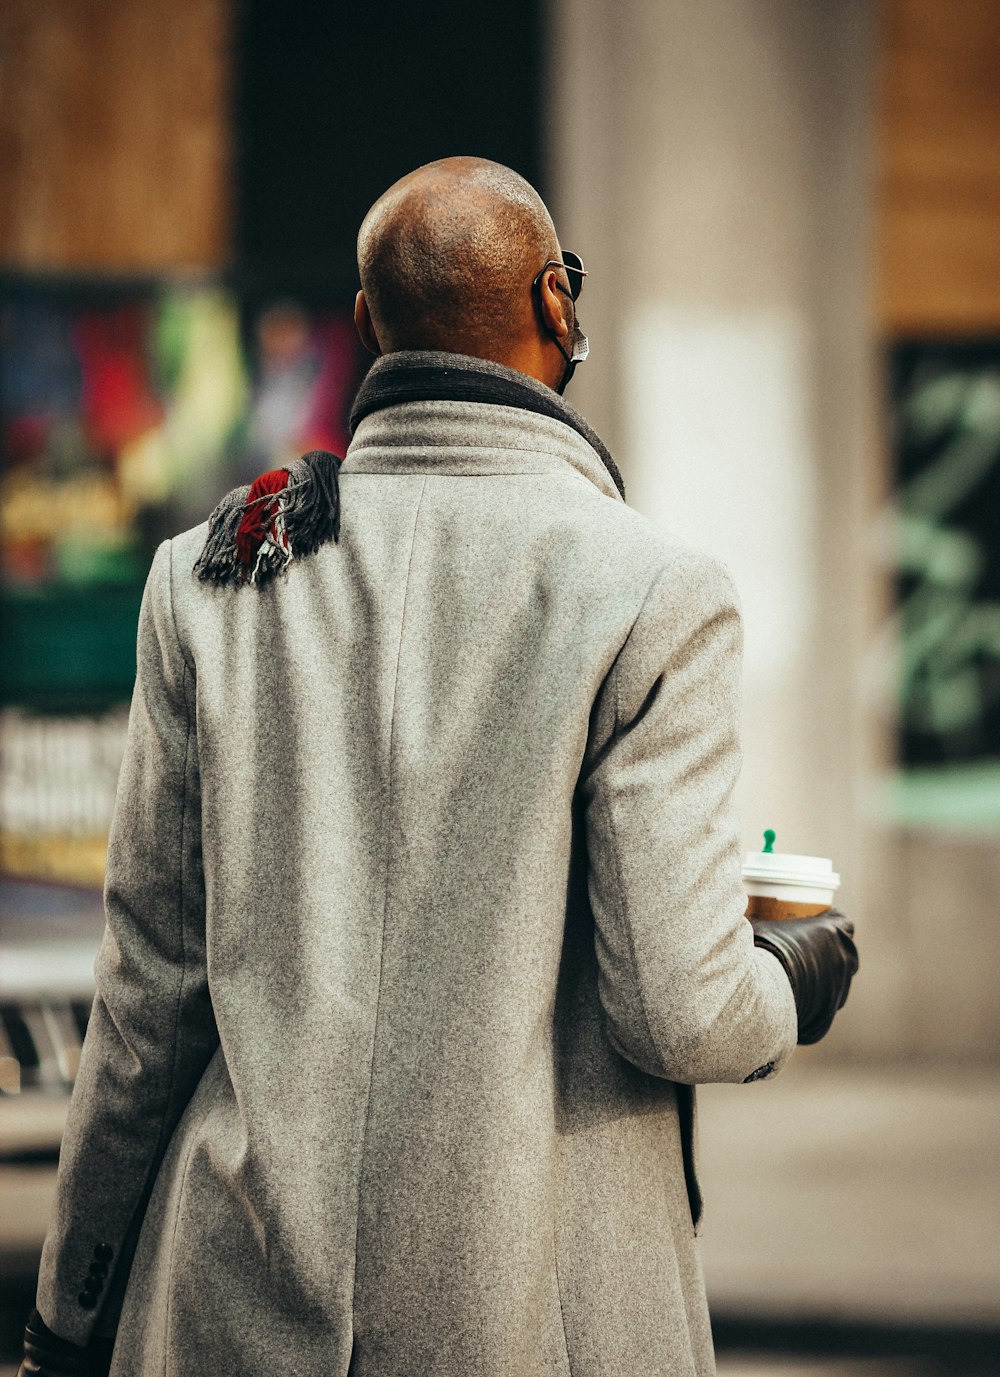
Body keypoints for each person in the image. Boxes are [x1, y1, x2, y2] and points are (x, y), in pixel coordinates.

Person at [20, 156, 857, 1377]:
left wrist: (66, 1317)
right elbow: (683, 1010)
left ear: (365, 329)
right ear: (559, 304)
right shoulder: (653, 594)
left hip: (222, 1312)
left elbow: (147, 1001)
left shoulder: (207, 577)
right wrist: (794, 970)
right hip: (535, 1318)